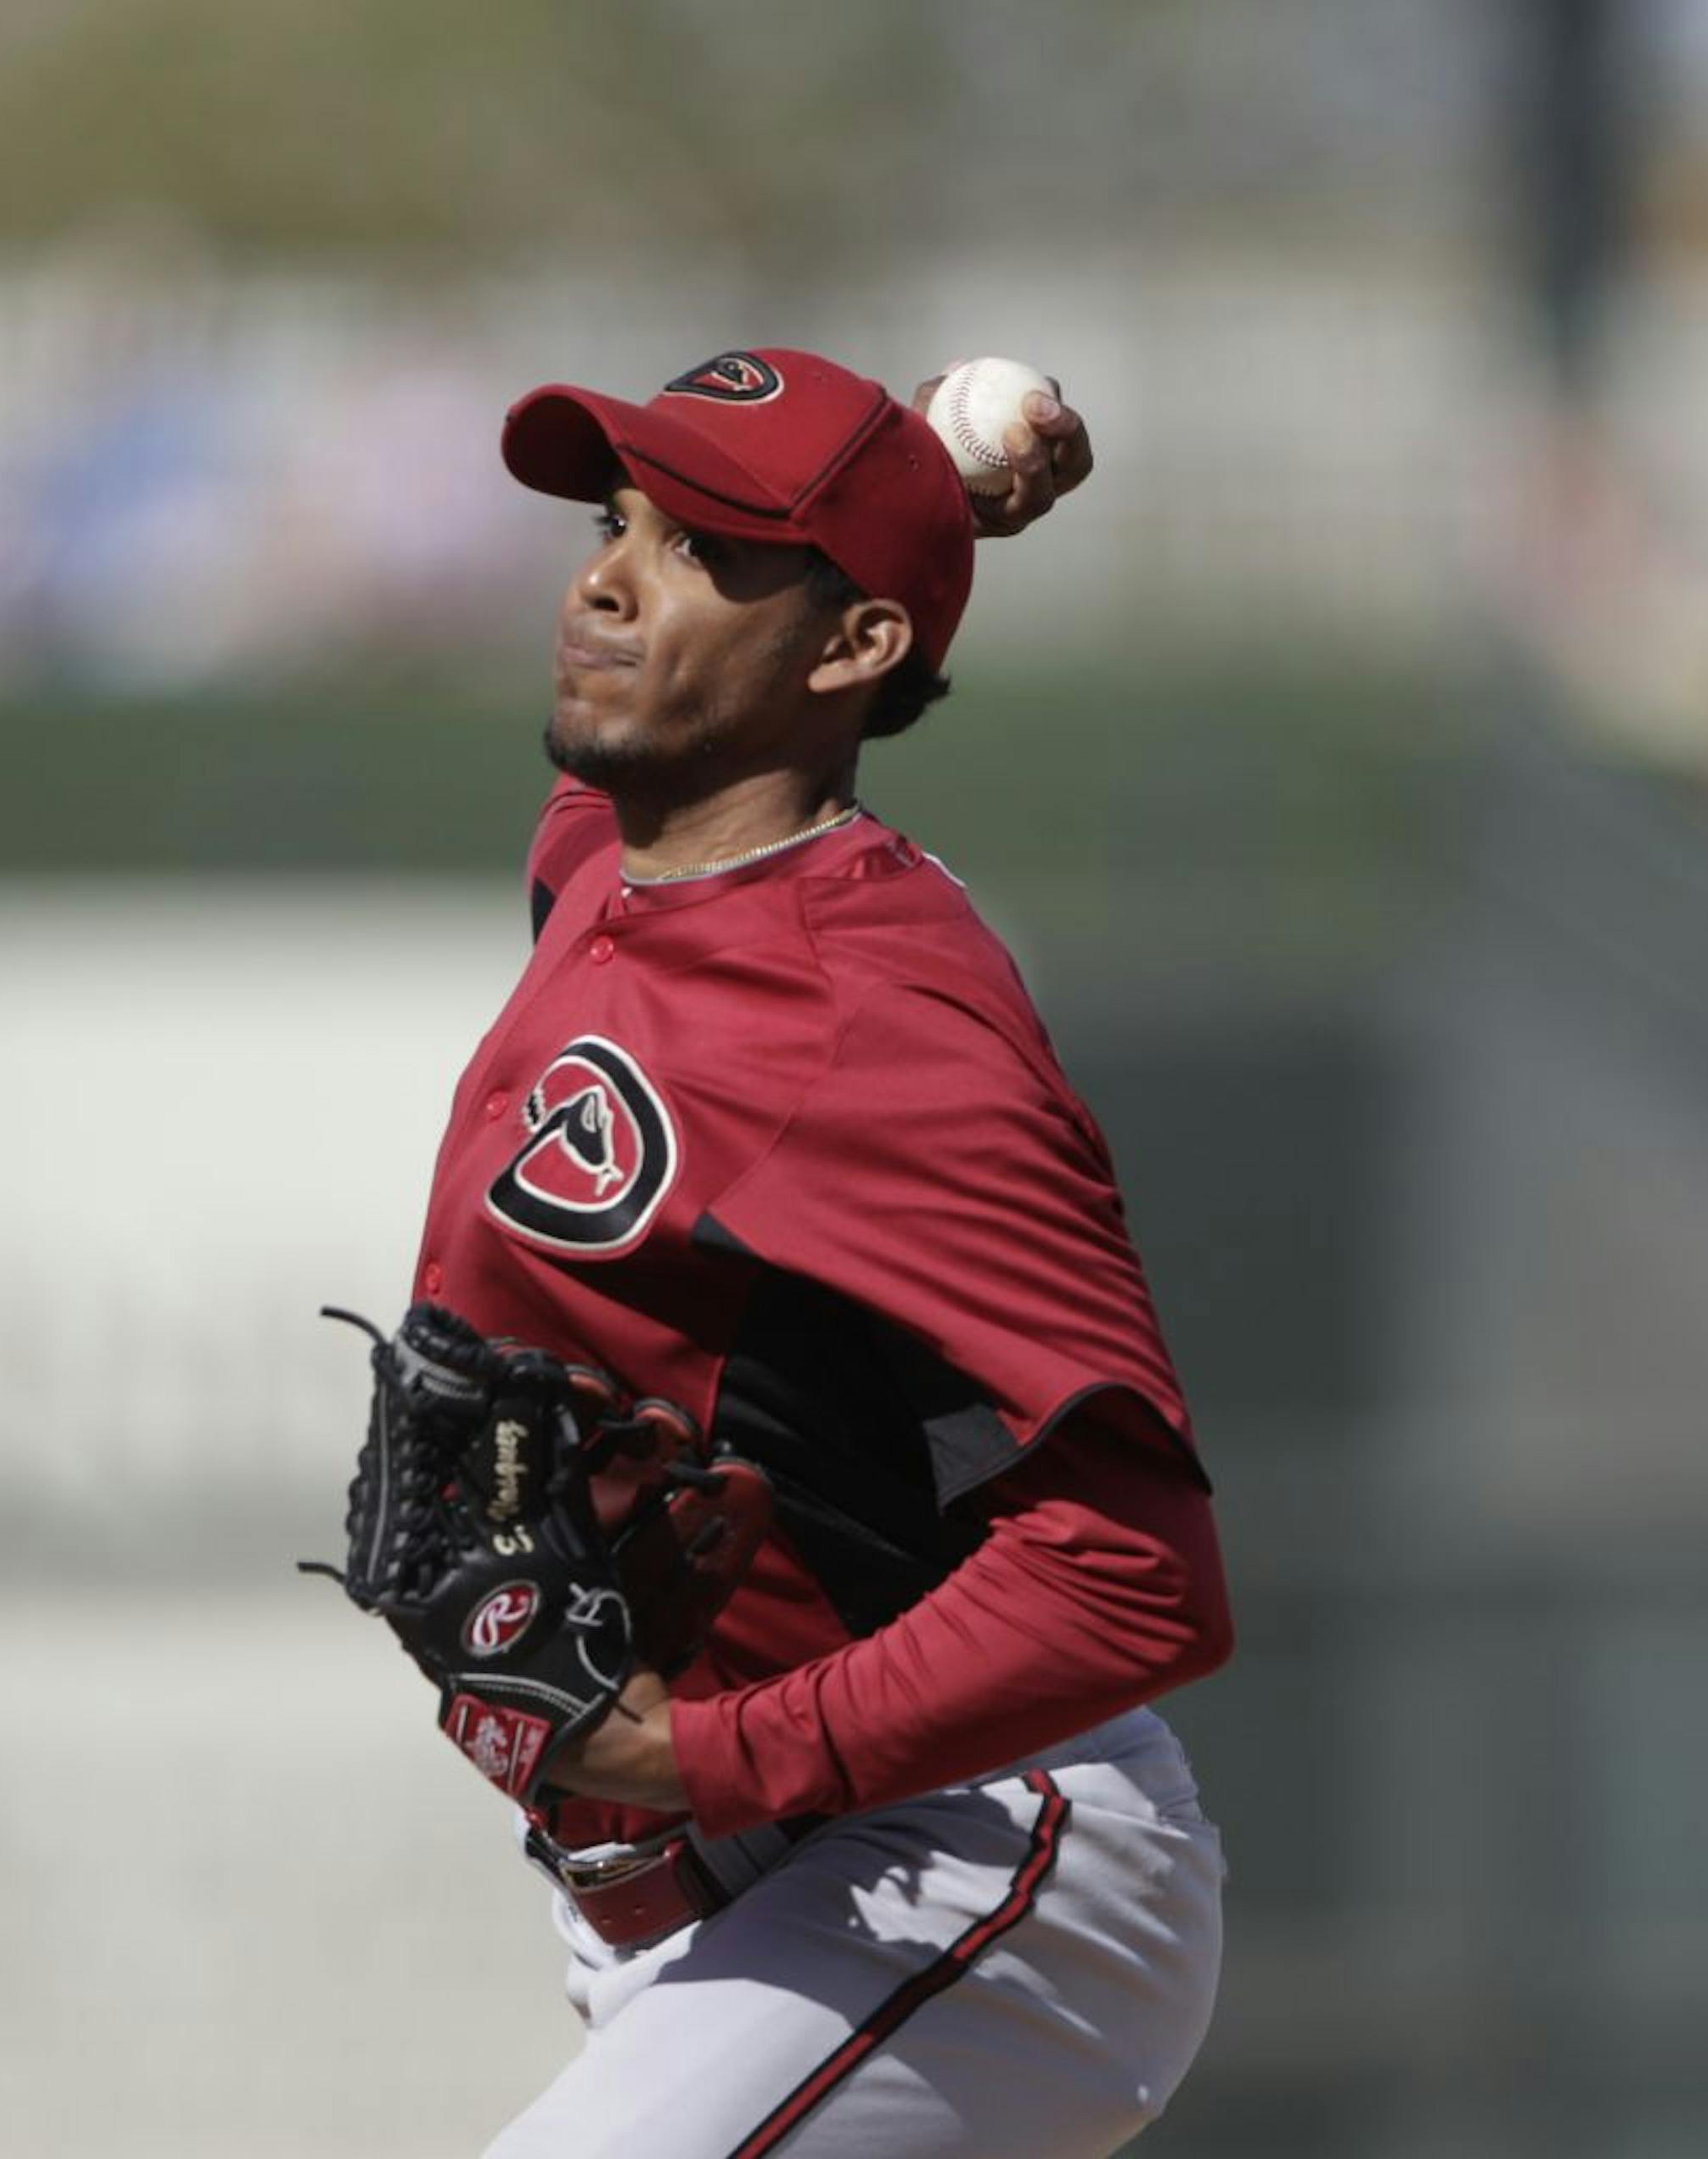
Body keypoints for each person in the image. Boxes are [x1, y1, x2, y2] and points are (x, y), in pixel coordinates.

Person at [406, 347, 1233, 2157]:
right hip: (707, 1895)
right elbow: (733, 709)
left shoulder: (887, 1020)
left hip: (962, 1863)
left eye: (698, 546)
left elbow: (1140, 1572)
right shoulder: (621, 863)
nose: (605, 578)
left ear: (852, 651)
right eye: (616, 519)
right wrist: (927, 478)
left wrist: (702, 1758)